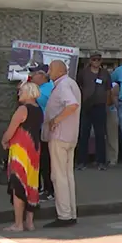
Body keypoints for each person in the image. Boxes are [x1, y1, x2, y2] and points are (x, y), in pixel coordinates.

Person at [43, 60, 81, 228]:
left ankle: (64, 215)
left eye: (50, 69)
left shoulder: (63, 85)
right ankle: (70, 213)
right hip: (69, 135)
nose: (48, 72)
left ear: (59, 71)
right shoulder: (70, 83)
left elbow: (72, 104)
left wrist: (55, 120)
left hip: (60, 135)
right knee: (67, 175)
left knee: (59, 176)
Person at [0, 81, 42, 232]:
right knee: (31, 185)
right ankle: (30, 222)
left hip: (21, 151)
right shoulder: (38, 109)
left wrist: (4, 140)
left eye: (21, 91)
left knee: (18, 185)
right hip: (34, 150)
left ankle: (18, 223)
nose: (18, 94)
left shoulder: (22, 110)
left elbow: (11, 130)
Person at [76, 52, 112, 171]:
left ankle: (101, 161)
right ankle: (82, 161)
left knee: (100, 134)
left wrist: (107, 103)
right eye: (94, 59)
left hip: (100, 106)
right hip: (86, 106)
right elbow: (79, 86)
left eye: (98, 59)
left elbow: (108, 89)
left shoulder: (105, 74)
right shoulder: (83, 73)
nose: (96, 61)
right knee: (84, 134)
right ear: (90, 60)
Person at [30, 65, 55, 200]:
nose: (32, 77)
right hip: (39, 127)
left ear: (42, 77)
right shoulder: (40, 88)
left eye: (35, 75)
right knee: (40, 159)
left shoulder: (48, 89)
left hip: (45, 128)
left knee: (46, 160)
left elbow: (32, 98)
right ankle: (41, 187)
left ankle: (49, 189)